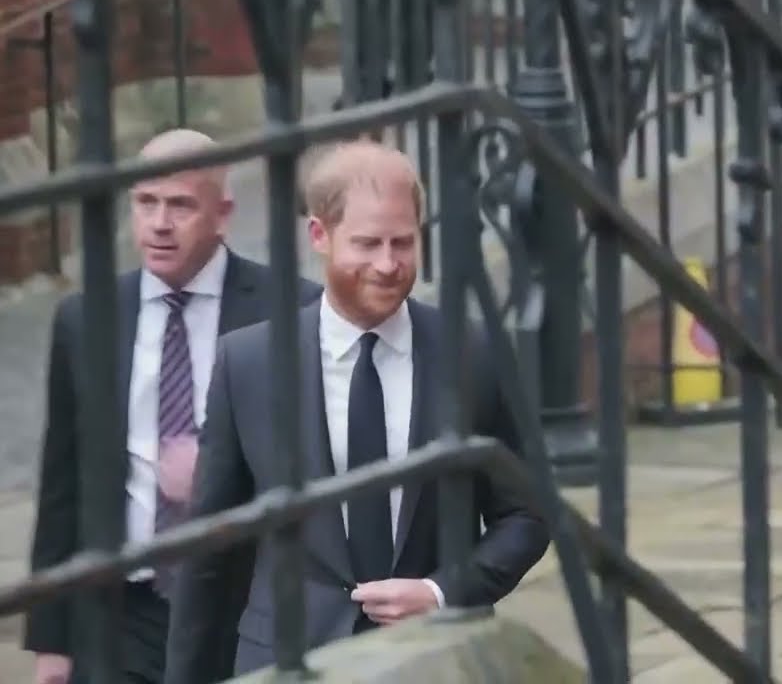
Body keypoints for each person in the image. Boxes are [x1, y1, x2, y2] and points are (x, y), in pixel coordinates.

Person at [163, 140, 550, 682]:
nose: (388, 265)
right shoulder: (248, 362)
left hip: (437, 658)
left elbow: (527, 514)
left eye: (403, 243)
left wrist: (442, 591)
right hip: (290, 659)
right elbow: (211, 551)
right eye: (367, 244)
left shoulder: (475, 353)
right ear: (319, 235)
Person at [23, 129, 324, 684]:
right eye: (146, 202)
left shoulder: (292, 310)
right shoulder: (86, 318)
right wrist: (51, 642)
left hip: (239, 610)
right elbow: (62, 485)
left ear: (223, 213)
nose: (159, 223)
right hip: (121, 609)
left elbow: (321, 469)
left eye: (181, 205)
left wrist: (219, 480)